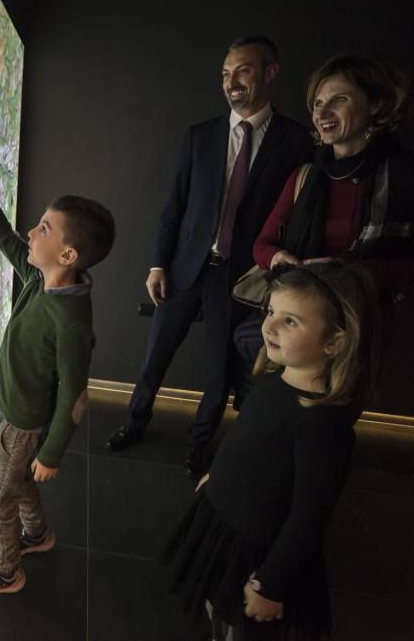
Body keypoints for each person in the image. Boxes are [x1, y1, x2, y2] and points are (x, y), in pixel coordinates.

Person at [106, 37, 311, 478]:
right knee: (154, 357)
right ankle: (134, 423)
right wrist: (158, 264)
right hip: (183, 270)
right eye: (225, 73)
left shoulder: (295, 142)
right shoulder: (201, 135)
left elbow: (293, 218)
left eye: (243, 71)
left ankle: (199, 447)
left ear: (270, 73)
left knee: (218, 375)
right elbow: (173, 207)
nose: (231, 82)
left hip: (238, 278)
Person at [164, 262, 378, 640]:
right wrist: (216, 475)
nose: (269, 326)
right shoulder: (270, 383)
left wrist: (271, 583)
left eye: (290, 321)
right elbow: (245, 441)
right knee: (215, 612)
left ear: (335, 342)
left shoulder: (323, 425)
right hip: (222, 525)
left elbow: (309, 516)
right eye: (270, 312)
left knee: (239, 627)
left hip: (255, 553)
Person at [0, 140, 115, 597]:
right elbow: (4, 236)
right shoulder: (42, 279)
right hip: (12, 410)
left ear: (68, 256)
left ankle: (6, 572)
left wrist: (53, 453)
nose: (31, 232)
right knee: (15, 480)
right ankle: (38, 535)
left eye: (43, 228)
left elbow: (75, 394)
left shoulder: (71, 322)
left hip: (22, 423)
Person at [246, 54, 414, 365]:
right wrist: (278, 259)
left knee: (333, 411)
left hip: (360, 326)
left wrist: (348, 272)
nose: (322, 112)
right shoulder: (304, 176)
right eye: (317, 103)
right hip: (293, 329)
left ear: (377, 104)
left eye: (338, 100)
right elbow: (261, 245)